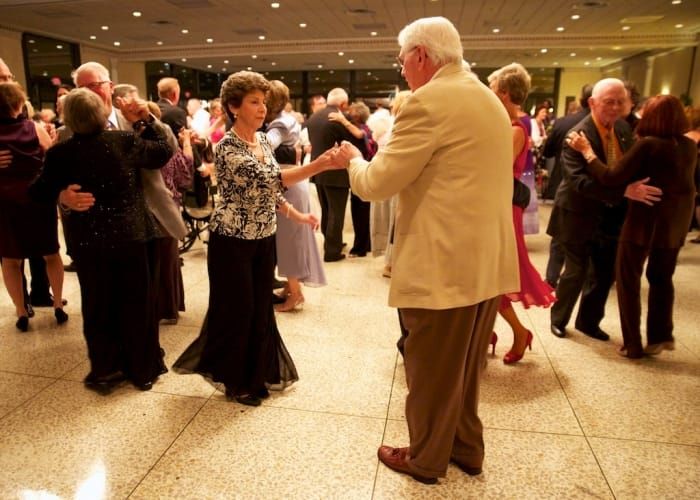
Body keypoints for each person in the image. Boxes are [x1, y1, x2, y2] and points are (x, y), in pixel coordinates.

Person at [332, 16, 518, 484]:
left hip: (444, 263)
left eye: (402, 62)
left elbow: (378, 183)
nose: (402, 72)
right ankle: (466, 447)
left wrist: (354, 161)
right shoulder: (486, 98)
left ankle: (426, 458)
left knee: (431, 370)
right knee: (464, 370)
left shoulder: (429, 101)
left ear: (419, 55)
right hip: (485, 259)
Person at [173, 71, 340, 407]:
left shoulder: (263, 140)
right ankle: (237, 380)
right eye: (254, 102)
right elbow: (272, 176)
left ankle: (256, 373)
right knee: (240, 310)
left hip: (263, 238)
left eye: (263, 102)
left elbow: (271, 191)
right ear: (234, 107)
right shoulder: (227, 148)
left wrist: (297, 215)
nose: (262, 108)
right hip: (231, 241)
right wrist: (319, 164)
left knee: (261, 308)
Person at [29, 88, 173, 392]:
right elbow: (163, 151)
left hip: (88, 242)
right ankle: (141, 369)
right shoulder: (124, 141)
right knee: (137, 302)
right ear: (102, 113)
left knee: (97, 305)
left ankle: (106, 369)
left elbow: (37, 192)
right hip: (132, 236)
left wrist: (61, 195)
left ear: (68, 118)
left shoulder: (60, 153)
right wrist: (146, 119)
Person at [567, 95, 697, 357]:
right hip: (674, 227)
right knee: (662, 279)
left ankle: (633, 343)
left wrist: (587, 152)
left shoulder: (647, 145)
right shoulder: (688, 146)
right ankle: (661, 335)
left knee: (628, 281)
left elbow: (610, 177)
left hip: (642, 225)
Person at [547, 78, 660, 342]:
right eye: (609, 101)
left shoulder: (622, 129)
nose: (616, 107)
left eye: (621, 101)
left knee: (603, 273)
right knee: (575, 272)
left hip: (611, 215)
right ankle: (558, 319)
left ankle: (588, 322)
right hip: (577, 213)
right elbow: (579, 182)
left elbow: (627, 166)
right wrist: (623, 191)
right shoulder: (576, 136)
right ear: (592, 103)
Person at [488, 63, 556, 364]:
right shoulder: (515, 124)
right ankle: (487, 332)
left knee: (497, 276)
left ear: (503, 93)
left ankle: (518, 331)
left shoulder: (516, 128)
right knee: (490, 274)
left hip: (502, 207)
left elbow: (495, 169)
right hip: (497, 205)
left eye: (492, 92)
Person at [0, 82, 67, 332]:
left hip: (5, 204)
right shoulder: (34, 127)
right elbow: (51, 159)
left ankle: (20, 310)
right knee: (51, 253)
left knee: (10, 260)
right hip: (37, 199)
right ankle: (58, 303)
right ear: (18, 104)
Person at [265, 79, 326, 312]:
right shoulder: (288, 119)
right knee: (292, 239)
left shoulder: (278, 124)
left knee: (289, 241)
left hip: (286, 182)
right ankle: (291, 287)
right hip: (293, 180)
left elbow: (268, 145)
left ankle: (296, 294)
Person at [542, 84, 593, 287]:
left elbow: (548, 150)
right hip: (588, 190)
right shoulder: (613, 125)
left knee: (560, 239)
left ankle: (552, 278)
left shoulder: (563, 122)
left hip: (565, 184)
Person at [306, 88, 364, 262]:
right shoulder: (338, 118)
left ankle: (332, 242)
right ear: (343, 104)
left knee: (326, 210)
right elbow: (354, 142)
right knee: (336, 212)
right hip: (335, 171)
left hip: (318, 169)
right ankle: (332, 251)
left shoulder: (314, 117)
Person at [329, 101, 377, 257]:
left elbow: (359, 134)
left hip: (362, 174)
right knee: (362, 212)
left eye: (351, 111)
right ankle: (366, 245)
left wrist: (342, 120)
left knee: (360, 213)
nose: (348, 112)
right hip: (365, 172)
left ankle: (360, 249)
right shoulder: (365, 128)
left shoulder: (362, 129)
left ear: (357, 114)